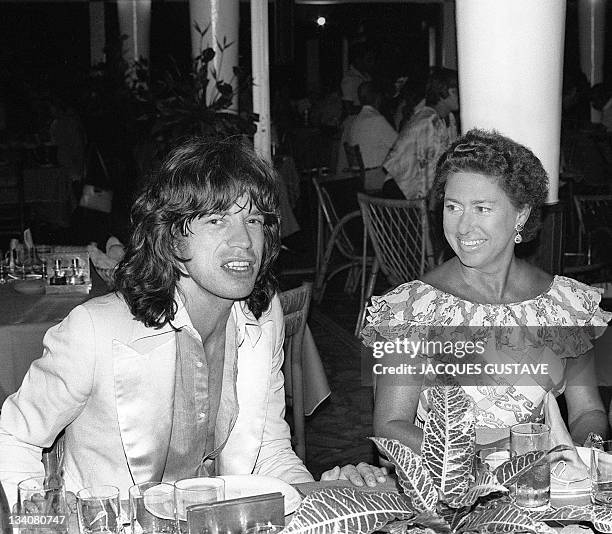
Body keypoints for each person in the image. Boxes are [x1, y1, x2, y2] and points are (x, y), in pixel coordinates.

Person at [0, 137, 387, 506]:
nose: (243, 242)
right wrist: (38, 517)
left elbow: (268, 452)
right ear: (171, 239)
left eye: (253, 220)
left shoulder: (262, 317)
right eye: (217, 220)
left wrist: (324, 493)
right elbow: (13, 436)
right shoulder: (95, 330)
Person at [363, 129, 611, 453]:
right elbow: (390, 428)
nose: (464, 227)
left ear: (520, 214)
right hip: (449, 490)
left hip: (539, 488)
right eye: (453, 207)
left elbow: (587, 411)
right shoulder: (411, 310)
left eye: (482, 208)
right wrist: (482, 461)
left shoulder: (564, 306)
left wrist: (581, 449)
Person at [382, 67, 458, 200]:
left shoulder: (448, 118)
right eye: (455, 91)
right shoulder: (428, 121)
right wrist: (430, 206)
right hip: (402, 190)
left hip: (418, 187)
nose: (460, 95)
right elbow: (426, 170)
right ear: (442, 92)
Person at [346, 81, 397, 191]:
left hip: (360, 177)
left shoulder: (356, 121)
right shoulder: (376, 119)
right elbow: (400, 145)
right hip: (376, 178)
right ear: (378, 98)